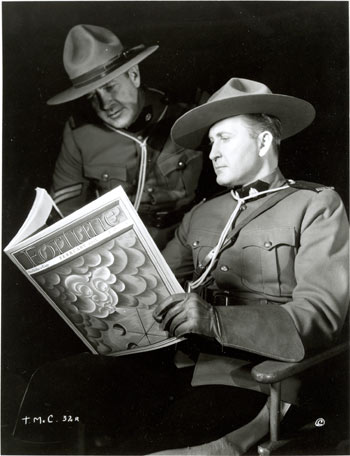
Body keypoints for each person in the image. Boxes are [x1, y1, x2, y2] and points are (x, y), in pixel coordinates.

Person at [13, 78, 349, 455]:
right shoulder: (202, 213)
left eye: (224, 138)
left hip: (261, 380)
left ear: (264, 141)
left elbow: (320, 318)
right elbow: (158, 285)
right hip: (184, 367)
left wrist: (214, 321)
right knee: (55, 385)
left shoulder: (316, 206)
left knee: (154, 448)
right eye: (210, 143)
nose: (212, 152)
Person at [48, 24, 203, 249]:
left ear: (134, 75)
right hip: (117, 251)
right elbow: (67, 211)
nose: (105, 105)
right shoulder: (80, 134)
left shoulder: (186, 113)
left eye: (110, 87)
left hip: (187, 244)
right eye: (92, 96)